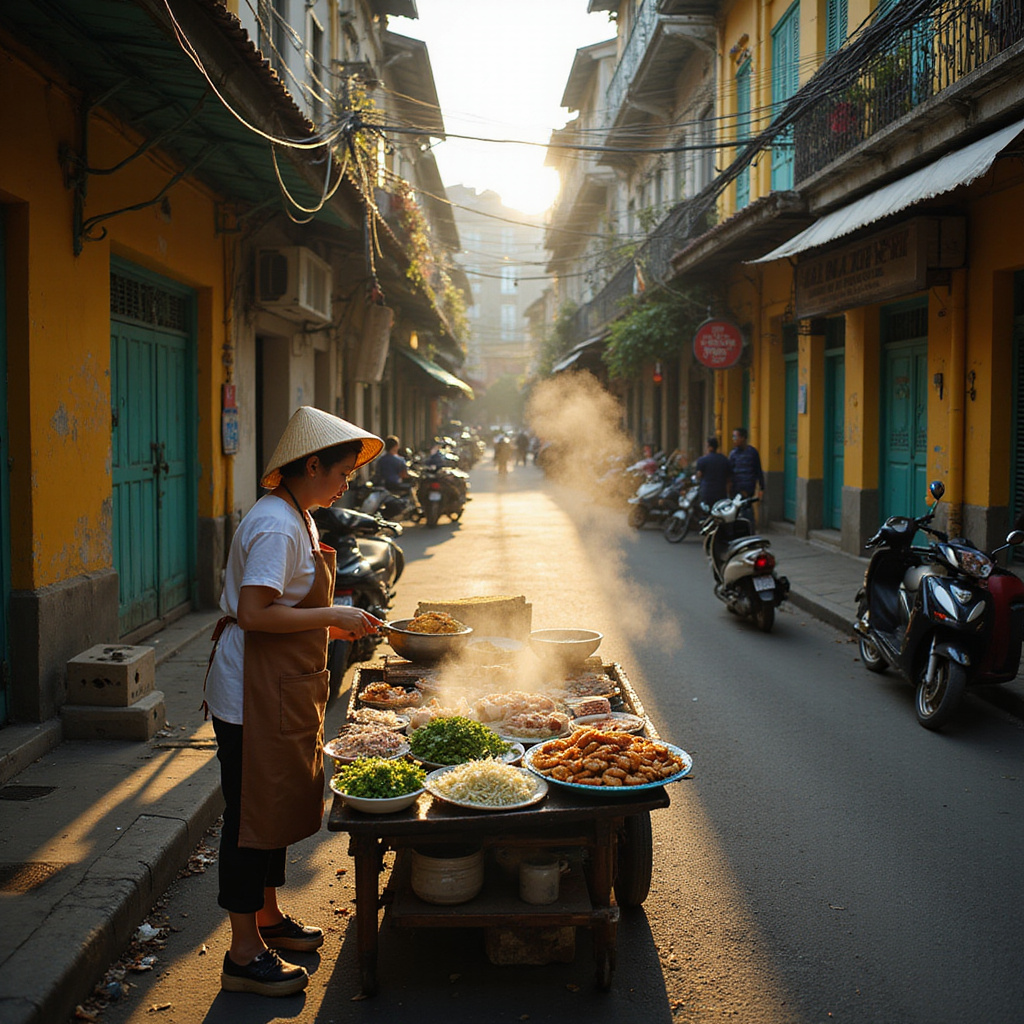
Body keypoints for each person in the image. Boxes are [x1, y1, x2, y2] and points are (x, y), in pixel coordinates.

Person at [204, 406, 385, 997]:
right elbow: (256, 613)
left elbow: (286, 609)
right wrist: (333, 613)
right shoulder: (279, 526)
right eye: (342, 475)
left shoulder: (298, 515)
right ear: (311, 464)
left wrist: (336, 628)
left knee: (274, 806)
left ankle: (267, 917)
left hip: (282, 683)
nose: (346, 485)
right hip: (252, 693)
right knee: (250, 817)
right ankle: (242, 953)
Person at [728, 426, 765, 525]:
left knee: (747, 512)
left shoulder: (752, 453)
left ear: (743, 438)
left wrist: (761, 488)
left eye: (735, 437)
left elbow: (758, 470)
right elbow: (729, 471)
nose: (733, 440)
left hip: (748, 488)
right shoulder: (733, 454)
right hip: (736, 488)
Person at [695, 436, 732, 507]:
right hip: (721, 492)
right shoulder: (724, 460)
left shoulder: (702, 460)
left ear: (709, 447)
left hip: (707, 492)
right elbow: (729, 479)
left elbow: (699, 475)